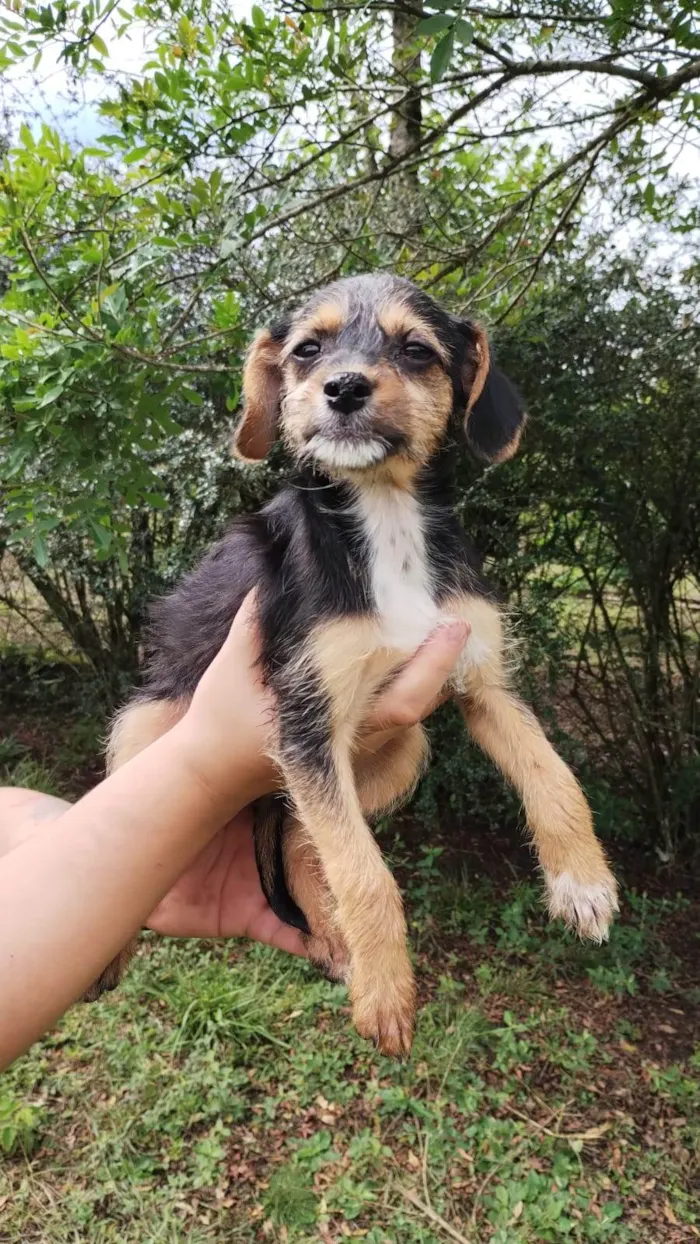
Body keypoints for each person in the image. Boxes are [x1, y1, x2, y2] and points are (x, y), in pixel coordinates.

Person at [0, 593, 469, 1071]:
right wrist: (198, 766)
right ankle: (292, 852)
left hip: (318, 739)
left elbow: (11, 813)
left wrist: (94, 852)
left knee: (405, 747)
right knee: (142, 724)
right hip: (190, 707)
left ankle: (298, 847)